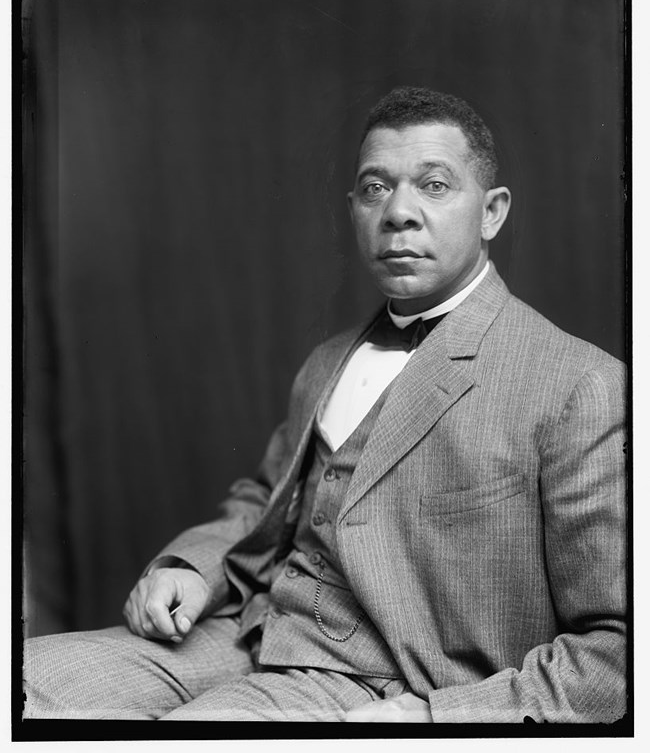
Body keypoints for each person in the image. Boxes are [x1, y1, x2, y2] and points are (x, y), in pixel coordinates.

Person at [23, 86, 626, 723]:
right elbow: (265, 503)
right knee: (30, 681)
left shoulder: (577, 385)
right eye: (375, 188)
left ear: (492, 212)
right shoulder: (329, 360)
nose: (399, 212)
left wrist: (431, 722)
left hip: (389, 685)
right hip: (253, 631)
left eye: (435, 185)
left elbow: (618, 653)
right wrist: (194, 568)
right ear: (353, 209)